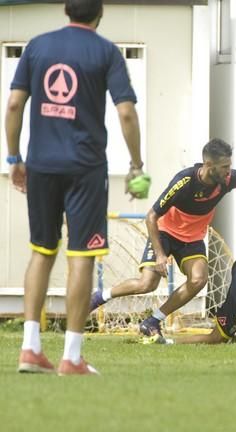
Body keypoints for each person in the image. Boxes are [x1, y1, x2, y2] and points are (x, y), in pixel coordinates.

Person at [5, 0, 148, 375]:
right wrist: (136, 165)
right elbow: (127, 112)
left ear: (66, 11)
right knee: (81, 257)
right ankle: (71, 355)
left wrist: (14, 159)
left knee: (41, 251)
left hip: (41, 166)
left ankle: (30, 349)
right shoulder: (105, 51)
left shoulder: (37, 46)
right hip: (85, 168)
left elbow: (15, 105)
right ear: (99, 14)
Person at [90, 138, 236, 338]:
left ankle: (153, 321)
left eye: (230, 165)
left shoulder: (228, 179)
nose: (229, 171)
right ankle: (99, 297)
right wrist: (159, 255)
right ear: (209, 165)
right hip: (165, 233)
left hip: (192, 238)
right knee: (147, 284)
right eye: (225, 166)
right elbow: (151, 216)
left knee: (199, 279)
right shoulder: (184, 181)